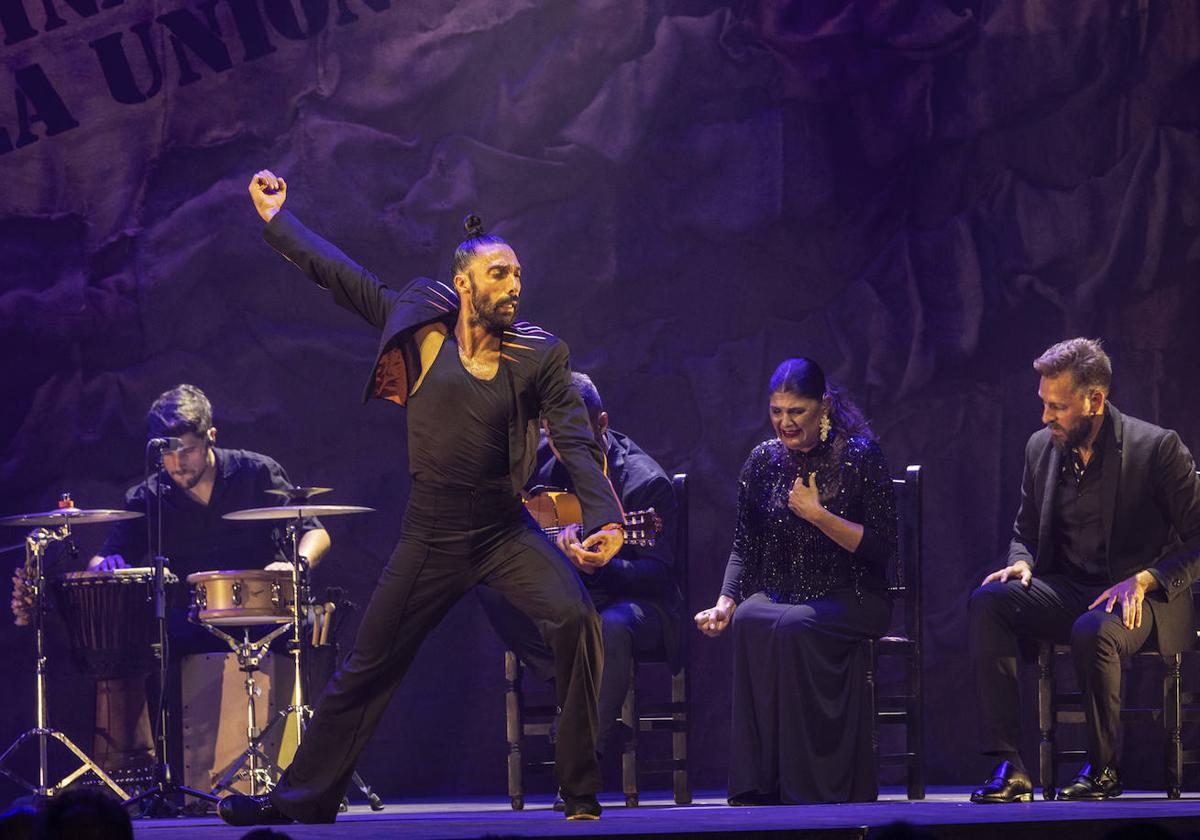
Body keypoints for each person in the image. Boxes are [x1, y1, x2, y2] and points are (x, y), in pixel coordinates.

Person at [219, 169, 624, 826]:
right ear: (464, 283)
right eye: (499, 275)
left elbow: (575, 440)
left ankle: (579, 794)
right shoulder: (422, 331)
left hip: (503, 531)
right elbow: (341, 276)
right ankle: (302, 800)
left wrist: (607, 521)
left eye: (518, 274)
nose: (515, 285)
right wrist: (277, 221)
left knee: (576, 621)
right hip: (431, 533)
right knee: (366, 666)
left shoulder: (540, 354)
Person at [968, 338, 1200, 803]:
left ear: (1095, 400)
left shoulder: (1155, 448)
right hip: (1072, 590)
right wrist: (1021, 562)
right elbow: (1025, 531)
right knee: (989, 601)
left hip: (1143, 597)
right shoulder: (1041, 448)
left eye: (1058, 406)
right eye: (1044, 404)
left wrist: (1147, 578)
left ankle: (1103, 768)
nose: (1046, 417)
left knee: (1092, 630)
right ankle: (1011, 766)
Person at [695, 357, 896, 805]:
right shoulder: (763, 460)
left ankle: (810, 785)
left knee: (792, 627)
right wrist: (725, 602)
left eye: (796, 412)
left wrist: (818, 515)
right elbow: (743, 544)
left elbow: (881, 547)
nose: (785, 423)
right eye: (776, 411)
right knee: (750, 617)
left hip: (854, 594)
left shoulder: (861, 456)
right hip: (788, 593)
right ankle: (760, 783)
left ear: (823, 406)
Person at [478, 371, 682, 771]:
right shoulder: (537, 463)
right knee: (492, 588)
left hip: (635, 604)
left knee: (609, 625)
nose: (563, 448)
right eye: (555, 436)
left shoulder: (643, 482)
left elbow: (658, 573)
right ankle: (575, 694)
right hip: (571, 599)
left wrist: (600, 566)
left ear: (601, 424)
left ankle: (582, 763)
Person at [89, 384, 330, 583]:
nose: (177, 463)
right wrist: (108, 565)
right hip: (186, 623)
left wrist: (298, 565)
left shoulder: (256, 473)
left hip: (263, 611)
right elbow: (99, 561)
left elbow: (316, 533)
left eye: (188, 451)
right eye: (167, 453)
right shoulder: (146, 497)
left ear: (211, 436)